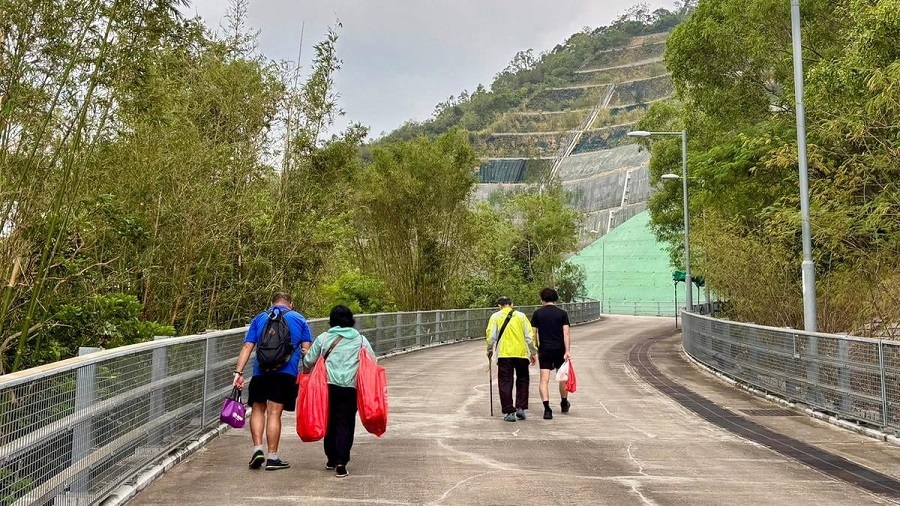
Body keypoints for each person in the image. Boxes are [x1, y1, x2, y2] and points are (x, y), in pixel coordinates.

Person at [233, 292, 312, 471]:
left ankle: (257, 449)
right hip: (286, 373)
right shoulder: (299, 319)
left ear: (271, 303)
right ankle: (273, 457)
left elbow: (247, 346)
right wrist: (307, 375)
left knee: (258, 409)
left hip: (260, 372)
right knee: (274, 413)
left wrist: (238, 373)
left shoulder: (260, 318)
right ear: (290, 303)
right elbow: (307, 351)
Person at [302, 305, 376, 478]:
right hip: (351, 388)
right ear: (350, 320)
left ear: (332, 320)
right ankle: (342, 462)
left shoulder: (324, 338)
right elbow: (372, 359)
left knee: (329, 422)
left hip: (327, 386)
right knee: (346, 423)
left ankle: (331, 458)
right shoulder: (360, 339)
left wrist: (307, 355)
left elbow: (308, 361)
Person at [486, 296, 537, 422]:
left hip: (504, 354)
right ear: (512, 304)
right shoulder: (521, 316)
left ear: (499, 305)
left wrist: (489, 350)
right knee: (523, 380)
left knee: (505, 382)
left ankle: (509, 412)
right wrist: (533, 352)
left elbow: (491, 336)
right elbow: (529, 336)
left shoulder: (495, 317)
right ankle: (521, 407)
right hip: (521, 353)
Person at [531, 287, 571, 420]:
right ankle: (564, 402)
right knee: (562, 377)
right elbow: (566, 332)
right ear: (555, 298)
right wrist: (567, 351)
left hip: (545, 350)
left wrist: (535, 349)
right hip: (559, 349)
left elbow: (534, 333)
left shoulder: (538, 313)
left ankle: (547, 409)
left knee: (544, 380)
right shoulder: (562, 313)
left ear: (542, 299)